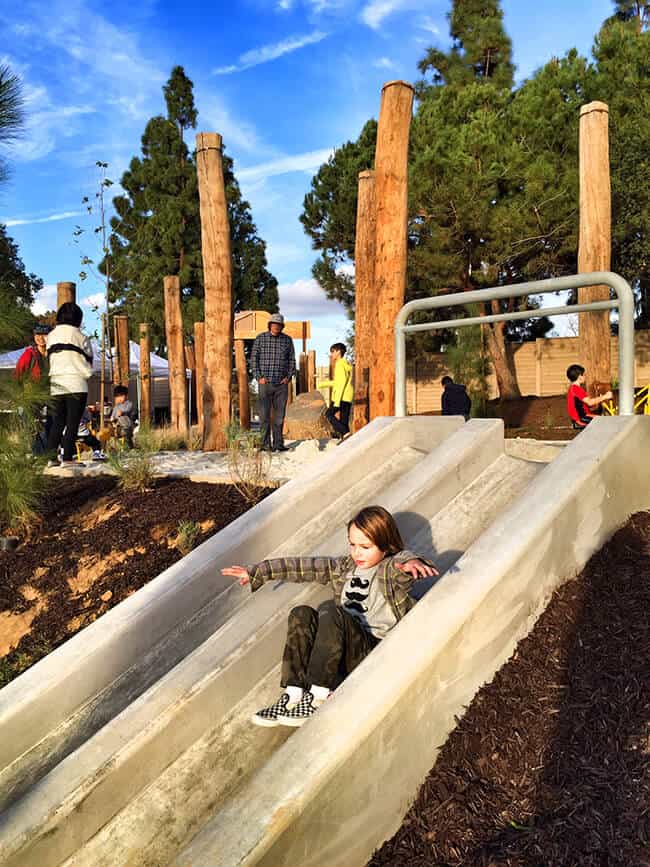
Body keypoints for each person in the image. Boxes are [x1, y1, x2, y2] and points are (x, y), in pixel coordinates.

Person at [222, 505, 438, 728]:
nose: (357, 553)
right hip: (338, 653)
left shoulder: (390, 569)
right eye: (353, 545)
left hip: (368, 651)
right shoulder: (343, 568)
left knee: (331, 611)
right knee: (301, 613)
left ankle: (319, 695)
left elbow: (404, 562)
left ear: (385, 544)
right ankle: (294, 694)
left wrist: (413, 563)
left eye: (366, 546)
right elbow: (302, 567)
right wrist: (258, 571)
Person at [46, 303, 93, 465]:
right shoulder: (81, 337)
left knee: (57, 422)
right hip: (76, 383)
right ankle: (67, 458)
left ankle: (51, 458)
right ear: (78, 318)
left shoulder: (51, 336)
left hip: (56, 383)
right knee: (73, 423)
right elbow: (89, 362)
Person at [250, 313, 296, 452]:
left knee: (279, 417)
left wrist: (288, 377)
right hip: (265, 384)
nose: (276, 327)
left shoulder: (287, 340)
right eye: (274, 324)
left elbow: (292, 360)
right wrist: (259, 377)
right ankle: (265, 445)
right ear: (270, 325)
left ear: (282, 326)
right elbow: (254, 359)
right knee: (264, 417)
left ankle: (278, 444)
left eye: (279, 325)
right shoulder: (260, 339)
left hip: (281, 385)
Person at [15, 323, 52, 453]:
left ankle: (49, 452)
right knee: (33, 425)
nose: (40, 338)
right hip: (32, 395)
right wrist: (20, 393)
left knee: (51, 424)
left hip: (50, 395)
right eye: (37, 335)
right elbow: (18, 373)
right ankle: (37, 453)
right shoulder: (29, 353)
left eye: (44, 335)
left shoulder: (53, 354)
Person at [318, 342, 354, 441]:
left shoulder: (340, 364)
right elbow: (338, 382)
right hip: (347, 396)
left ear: (338, 352)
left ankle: (346, 433)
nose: (331, 354)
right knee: (344, 420)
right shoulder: (345, 364)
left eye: (333, 351)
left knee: (328, 414)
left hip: (341, 397)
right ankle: (345, 439)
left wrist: (337, 401)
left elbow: (341, 384)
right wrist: (322, 384)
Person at [566, 364, 613, 428]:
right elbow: (590, 402)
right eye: (584, 375)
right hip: (581, 419)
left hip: (581, 418)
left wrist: (599, 399)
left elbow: (586, 405)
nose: (585, 377)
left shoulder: (573, 388)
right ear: (580, 377)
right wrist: (605, 396)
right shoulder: (576, 389)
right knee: (605, 422)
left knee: (603, 419)